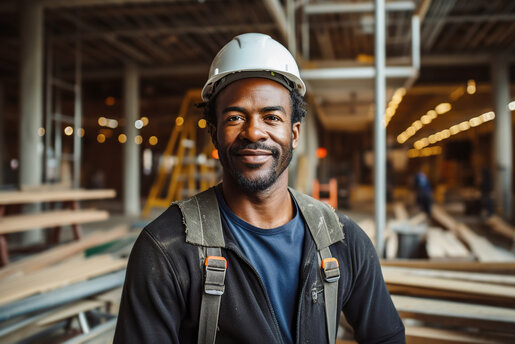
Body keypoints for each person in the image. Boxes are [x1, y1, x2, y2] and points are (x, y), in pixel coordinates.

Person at [114, 33, 404, 344]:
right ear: (213, 133)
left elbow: (386, 337)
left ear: (294, 134)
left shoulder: (341, 241)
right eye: (235, 117)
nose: (254, 131)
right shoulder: (166, 250)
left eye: (271, 117)